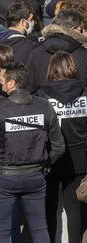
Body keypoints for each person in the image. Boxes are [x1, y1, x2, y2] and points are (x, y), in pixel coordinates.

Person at [0, 62, 65, 243]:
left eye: (2, 80)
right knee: (40, 229)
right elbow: (59, 146)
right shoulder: (45, 106)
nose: (0, 84)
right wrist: (45, 166)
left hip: (3, 176)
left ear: (11, 84)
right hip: (35, 175)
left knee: (2, 231)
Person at [36, 52, 87, 243]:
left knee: (49, 207)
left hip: (49, 158)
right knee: (75, 208)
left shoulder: (41, 96)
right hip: (79, 159)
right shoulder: (85, 93)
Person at [27, 9, 87, 93]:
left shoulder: (37, 53)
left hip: (45, 103)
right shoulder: (83, 54)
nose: (83, 32)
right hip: (81, 104)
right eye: (81, 29)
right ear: (73, 28)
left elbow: (29, 86)